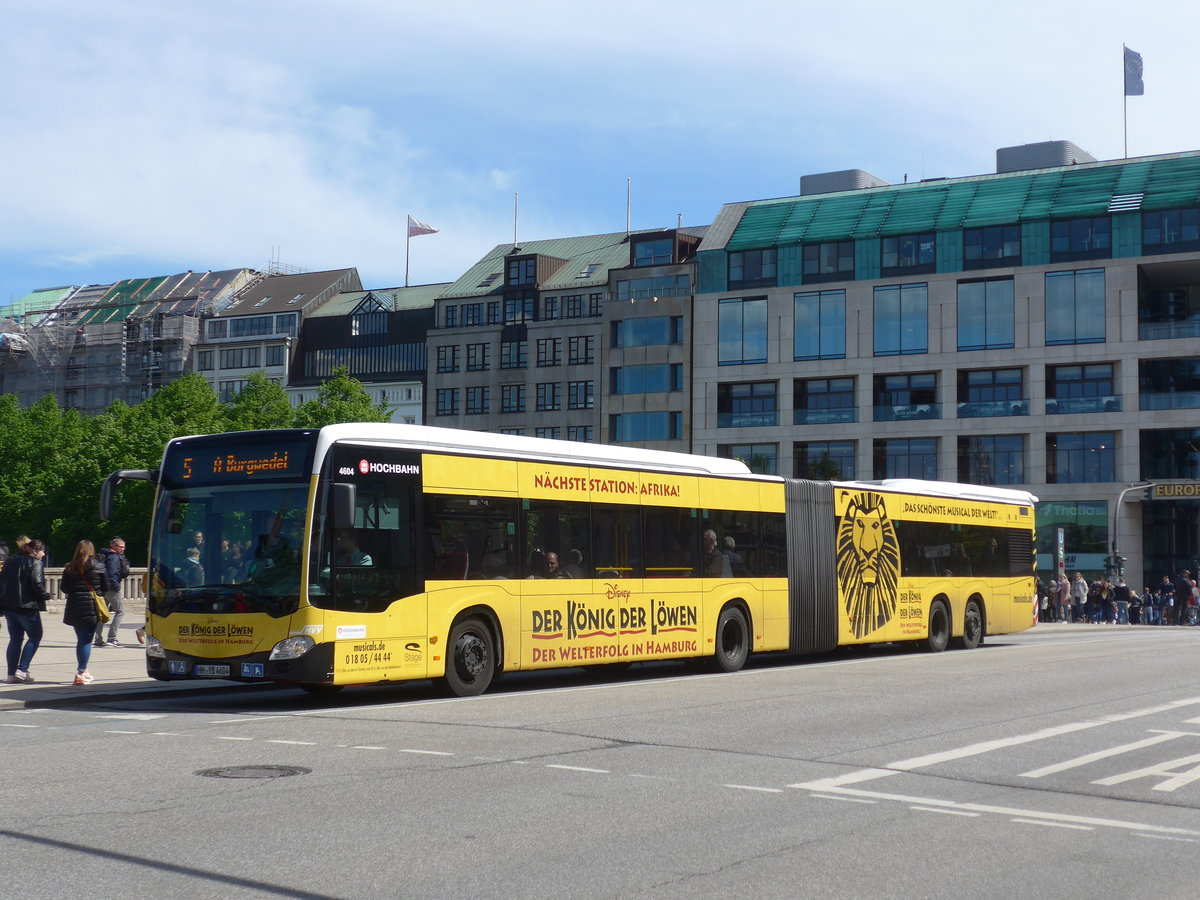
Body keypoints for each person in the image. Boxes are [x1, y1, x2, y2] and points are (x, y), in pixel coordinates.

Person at [61, 539, 110, 686]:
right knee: (86, 640)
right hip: (91, 606)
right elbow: (106, 586)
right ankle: (81, 672)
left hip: (75, 606)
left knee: (81, 640)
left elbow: (64, 588)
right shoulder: (98, 565)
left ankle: (82, 670)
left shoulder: (70, 567)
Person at [1, 538, 51, 683]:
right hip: (27, 606)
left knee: (15, 639)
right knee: (35, 637)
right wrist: (45, 595)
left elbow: (2, 582)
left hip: (9, 606)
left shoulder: (10, 561)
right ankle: (22, 669)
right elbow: (36, 582)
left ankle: (11, 674)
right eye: (42, 551)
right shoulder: (35, 562)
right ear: (35, 550)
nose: (43, 554)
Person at [94, 536, 130, 648]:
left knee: (102, 614)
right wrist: (116, 587)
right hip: (112, 588)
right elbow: (112, 573)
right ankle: (112, 638)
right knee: (120, 611)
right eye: (120, 546)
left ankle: (98, 639)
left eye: (124, 547)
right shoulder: (114, 557)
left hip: (103, 587)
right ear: (113, 546)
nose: (122, 549)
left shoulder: (104, 555)